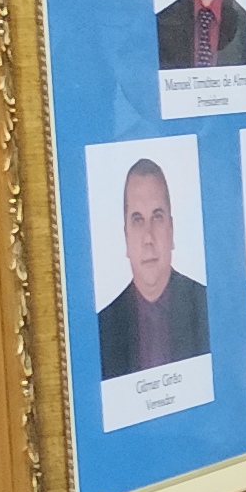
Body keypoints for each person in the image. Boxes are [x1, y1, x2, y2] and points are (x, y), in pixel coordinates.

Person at [97, 157, 207, 372]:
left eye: (157, 217)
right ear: (126, 236)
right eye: (137, 220)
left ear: (171, 230)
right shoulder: (102, 329)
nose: (148, 238)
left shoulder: (207, 306)